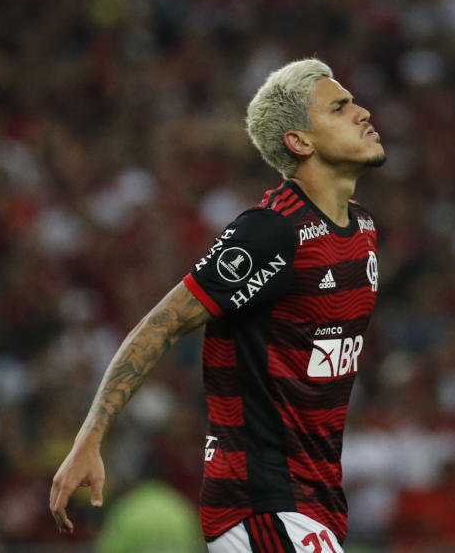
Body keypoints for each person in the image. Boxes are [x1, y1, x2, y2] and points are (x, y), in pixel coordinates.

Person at [50, 58, 385, 552]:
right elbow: (160, 324)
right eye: (340, 107)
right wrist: (90, 438)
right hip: (261, 501)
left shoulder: (363, 231)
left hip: (318, 504)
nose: (362, 112)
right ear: (301, 142)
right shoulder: (271, 231)